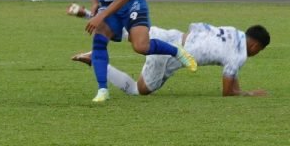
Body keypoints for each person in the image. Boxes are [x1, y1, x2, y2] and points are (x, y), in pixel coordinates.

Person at [70, 19, 270, 97]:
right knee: (136, 90)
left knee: (131, 34)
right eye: (258, 50)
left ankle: (92, 16)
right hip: (171, 54)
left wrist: (239, 88)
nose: (256, 53)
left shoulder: (233, 30)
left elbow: (195, 25)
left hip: (171, 35)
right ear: (255, 45)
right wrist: (247, 94)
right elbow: (227, 91)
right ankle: (96, 59)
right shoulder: (240, 54)